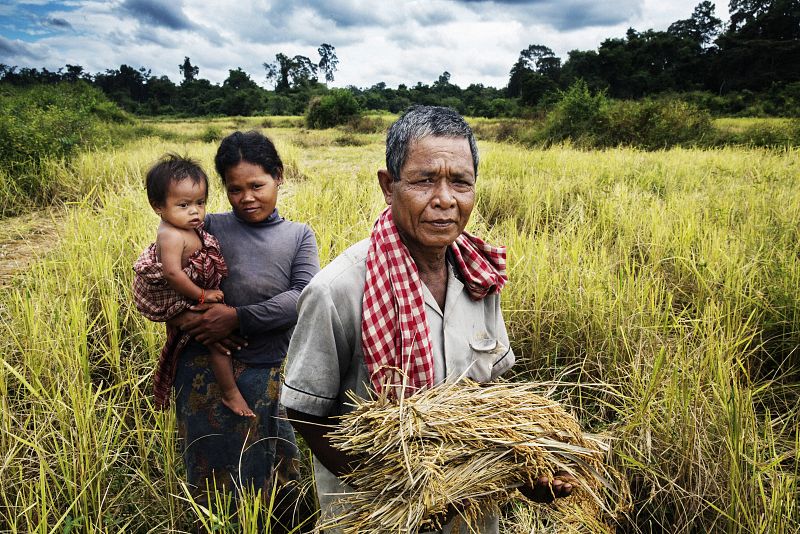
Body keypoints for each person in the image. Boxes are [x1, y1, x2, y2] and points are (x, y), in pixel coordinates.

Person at [282, 106, 575, 533]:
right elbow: (305, 412)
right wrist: (399, 492)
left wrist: (526, 472)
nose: (444, 199)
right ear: (388, 186)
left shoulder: (480, 279)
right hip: (378, 515)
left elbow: (493, 397)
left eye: (460, 181)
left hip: (471, 514)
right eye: (423, 180)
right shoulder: (338, 290)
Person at [163, 131, 319, 530]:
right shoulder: (206, 228)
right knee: (210, 472)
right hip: (202, 368)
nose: (247, 197)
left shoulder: (298, 235)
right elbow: (161, 280)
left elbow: (302, 297)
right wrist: (192, 321)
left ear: (279, 177)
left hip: (264, 368)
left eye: (257, 185)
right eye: (235, 189)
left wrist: (236, 317)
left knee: (267, 466)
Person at [132, 153, 255, 417]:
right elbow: (174, 275)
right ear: (158, 206)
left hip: (188, 291)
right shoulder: (170, 235)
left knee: (202, 336)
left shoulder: (188, 227)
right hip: (178, 294)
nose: (195, 211)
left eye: (200, 203)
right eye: (184, 205)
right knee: (217, 340)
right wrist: (202, 295)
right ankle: (230, 393)